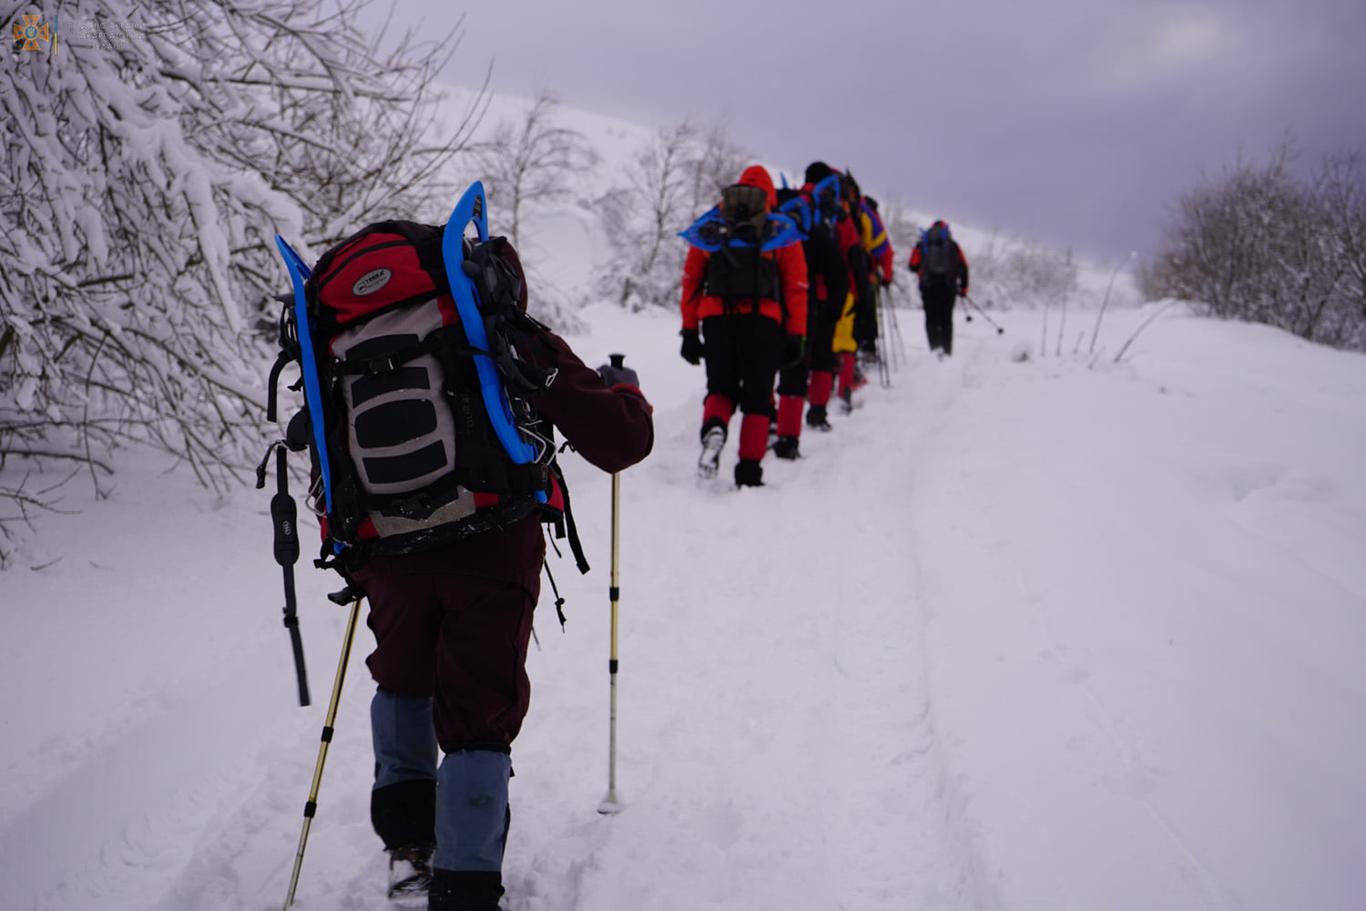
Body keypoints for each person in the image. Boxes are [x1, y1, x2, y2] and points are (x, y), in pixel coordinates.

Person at [357, 240, 654, 910]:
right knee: (476, 714)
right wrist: (624, 389)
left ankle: (409, 853)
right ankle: (463, 887)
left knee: (403, 678)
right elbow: (622, 439)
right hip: (489, 552)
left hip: (389, 550)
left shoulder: (356, 347)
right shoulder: (508, 336)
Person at [679, 164, 808, 487]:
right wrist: (796, 335)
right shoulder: (779, 229)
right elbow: (796, 287)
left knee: (720, 389)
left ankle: (714, 428)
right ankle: (749, 471)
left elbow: (692, 281)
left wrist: (690, 331)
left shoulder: (712, 225)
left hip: (716, 320)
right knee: (758, 398)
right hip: (763, 323)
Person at [772, 184, 846, 456]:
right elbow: (839, 274)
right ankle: (790, 438)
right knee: (799, 369)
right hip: (807, 309)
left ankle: (767, 419)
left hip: (766, 312)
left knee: (764, 370)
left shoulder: (769, 234)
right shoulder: (813, 236)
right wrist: (832, 311)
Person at [795, 162, 851, 433]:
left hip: (787, 293)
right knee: (821, 358)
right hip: (821, 292)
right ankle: (817, 413)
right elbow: (845, 254)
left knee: (790, 362)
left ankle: (776, 421)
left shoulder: (790, 204)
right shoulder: (829, 207)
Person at [908, 220, 969, 357]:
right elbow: (964, 267)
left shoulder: (923, 244)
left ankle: (935, 350)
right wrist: (963, 288)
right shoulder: (953, 245)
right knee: (946, 319)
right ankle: (947, 351)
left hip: (928, 286)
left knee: (931, 318)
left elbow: (912, 265)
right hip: (948, 286)